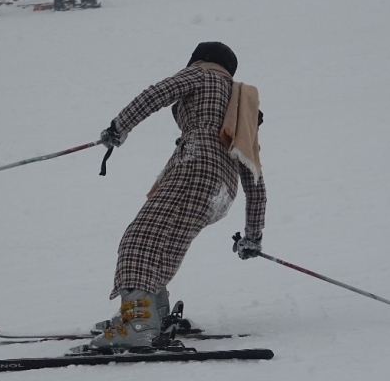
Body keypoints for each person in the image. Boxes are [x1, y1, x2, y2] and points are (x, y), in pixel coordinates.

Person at [90, 42, 267, 349]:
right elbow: (254, 178)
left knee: (139, 240)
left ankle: (138, 323)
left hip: (196, 168)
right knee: (164, 245)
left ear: (200, 60)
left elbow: (156, 93)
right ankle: (152, 316)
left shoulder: (202, 75)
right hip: (221, 190)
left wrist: (120, 126)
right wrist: (253, 236)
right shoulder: (241, 108)